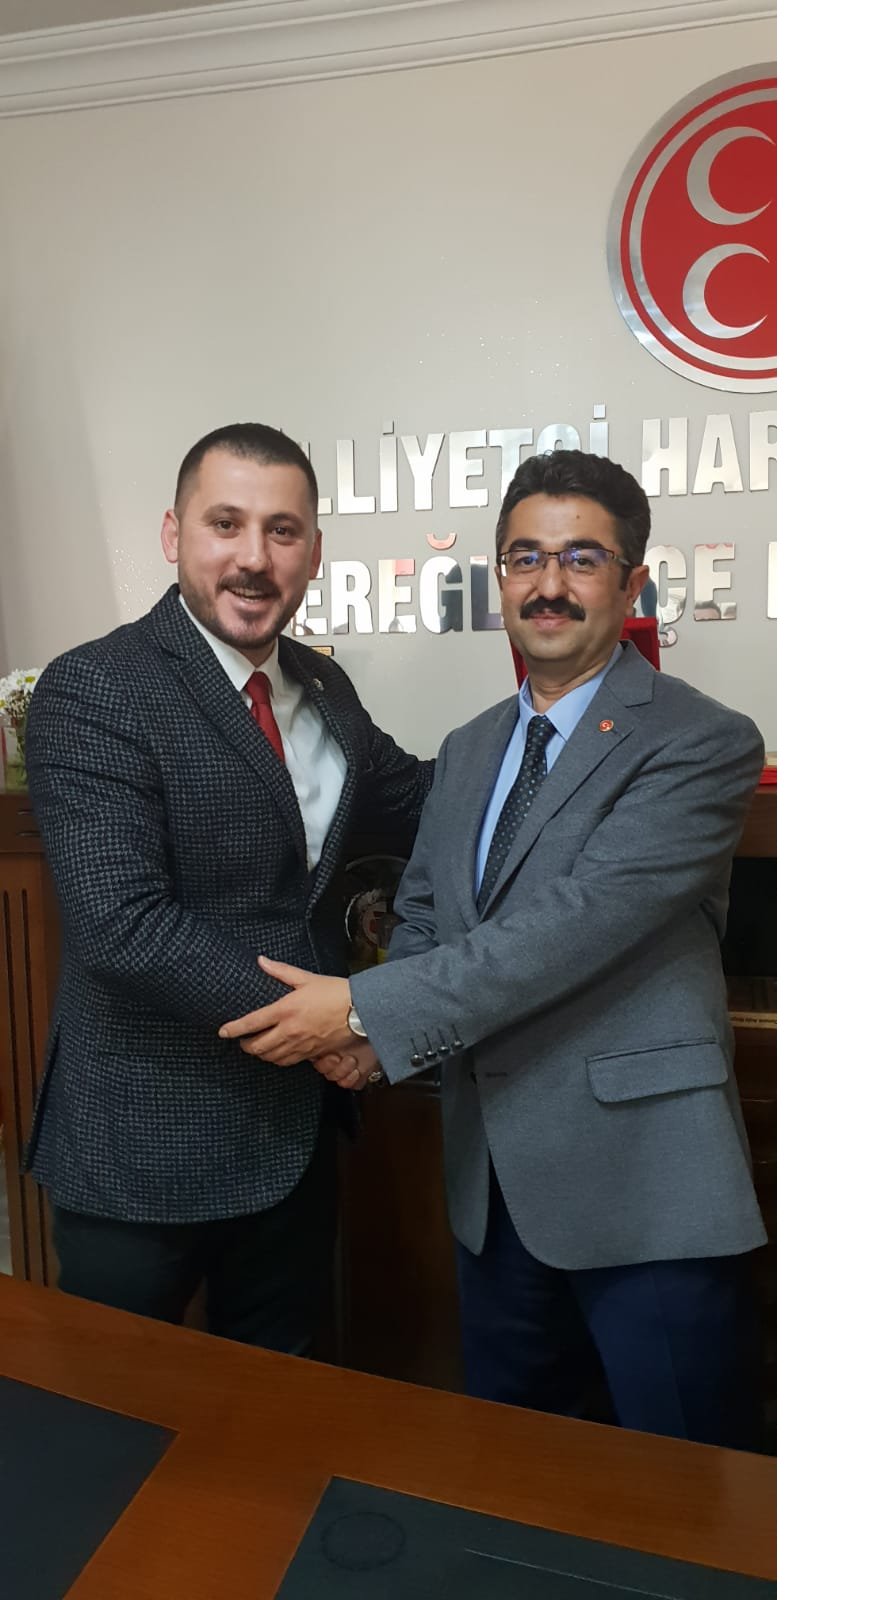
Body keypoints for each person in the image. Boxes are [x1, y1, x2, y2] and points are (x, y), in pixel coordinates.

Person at [220, 449, 768, 1448]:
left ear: (632, 584)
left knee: (689, 1495)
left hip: (646, 1197)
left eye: (581, 558)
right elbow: (427, 915)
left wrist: (360, 1013)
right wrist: (370, 1043)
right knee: (519, 1479)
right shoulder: (470, 748)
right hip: (493, 1197)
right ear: (500, 577)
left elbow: (571, 928)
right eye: (525, 557)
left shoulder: (700, 741)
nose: (548, 584)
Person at [24, 422, 432, 1353]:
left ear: (314, 552)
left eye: (282, 531)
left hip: (293, 1147)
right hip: (142, 1152)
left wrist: (554, 740)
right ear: (174, 535)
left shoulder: (323, 688)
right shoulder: (95, 688)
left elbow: (418, 801)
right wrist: (337, 1023)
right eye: (226, 524)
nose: (254, 558)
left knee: (280, 1411)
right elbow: (125, 926)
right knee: (117, 1413)